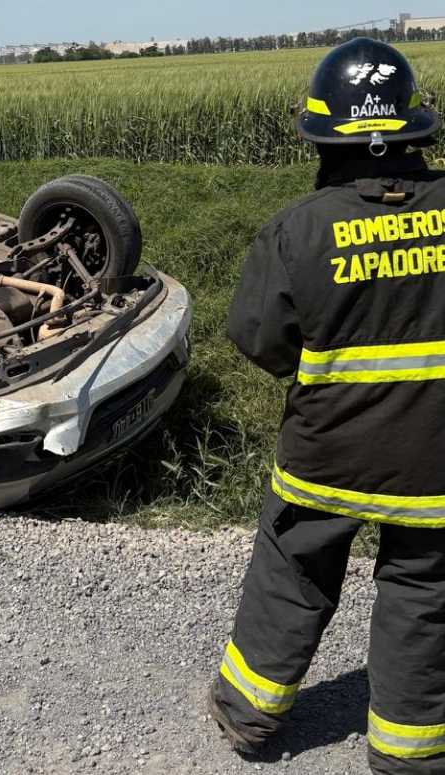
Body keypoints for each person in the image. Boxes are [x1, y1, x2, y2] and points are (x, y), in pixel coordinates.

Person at [208, 37, 445, 775]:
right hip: (436, 460)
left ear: (323, 140)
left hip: (327, 454)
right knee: (424, 584)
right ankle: (409, 752)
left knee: (294, 565)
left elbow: (258, 336)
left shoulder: (296, 231)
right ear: (412, 129)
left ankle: (249, 712)